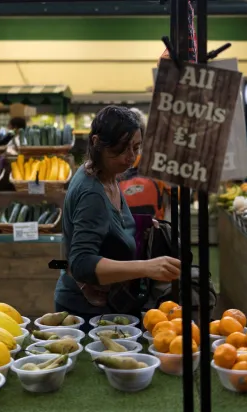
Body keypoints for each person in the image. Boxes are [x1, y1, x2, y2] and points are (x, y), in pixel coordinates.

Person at [53, 105, 181, 328]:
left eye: (136, 147)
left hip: (106, 307)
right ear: (96, 143)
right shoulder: (92, 192)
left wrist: (138, 225)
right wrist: (147, 267)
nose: (130, 157)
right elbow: (82, 263)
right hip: (87, 314)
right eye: (121, 149)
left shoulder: (108, 175)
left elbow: (104, 225)